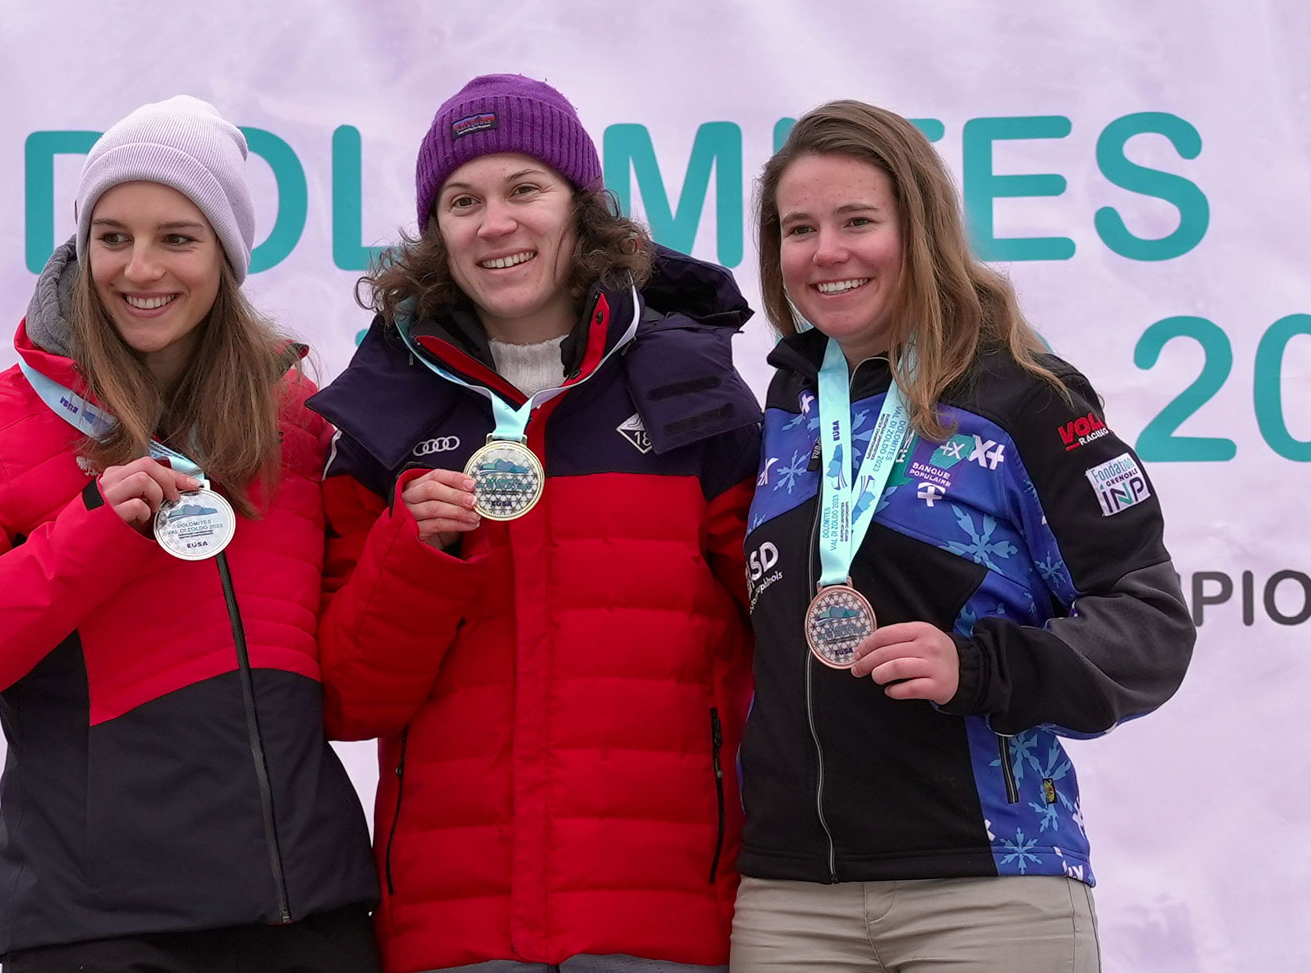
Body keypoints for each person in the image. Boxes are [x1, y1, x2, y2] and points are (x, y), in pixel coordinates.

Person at [0, 96, 379, 972]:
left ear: (225, 253)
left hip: (309, 915)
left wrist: (420, 553)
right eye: (113, 236)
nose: (139, 268)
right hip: (102, 930)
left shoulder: (295, 419)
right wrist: (93, 533)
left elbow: (348, 676)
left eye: (177, 237)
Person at [308, 74, 759, 973]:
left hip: (661, 921)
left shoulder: (692, 389)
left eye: (525, 189)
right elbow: (349, 700)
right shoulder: (385, 413)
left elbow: (781, 633)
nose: (496, 223)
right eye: (463, 201)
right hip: (456, 932)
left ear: (580, 210)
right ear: (438, 234)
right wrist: (414, 553)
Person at [731, 99, 1195, 972]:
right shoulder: (784, 414)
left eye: (858, 221)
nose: (826, 251)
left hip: (988, 889)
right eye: (799, 228)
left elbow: (1152, 625)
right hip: (790, 900)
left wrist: (978, 666)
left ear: (921, 227)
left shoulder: (1024, 397)